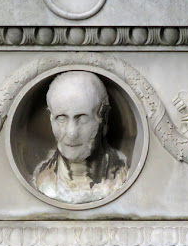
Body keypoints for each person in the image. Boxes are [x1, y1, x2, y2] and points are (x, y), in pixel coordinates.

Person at [33, 71, 129, 204]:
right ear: (50, 118)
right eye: (61, 118)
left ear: (104, 118)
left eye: (82, 118)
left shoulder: (121, 173)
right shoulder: (44, 179)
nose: (71, 133)